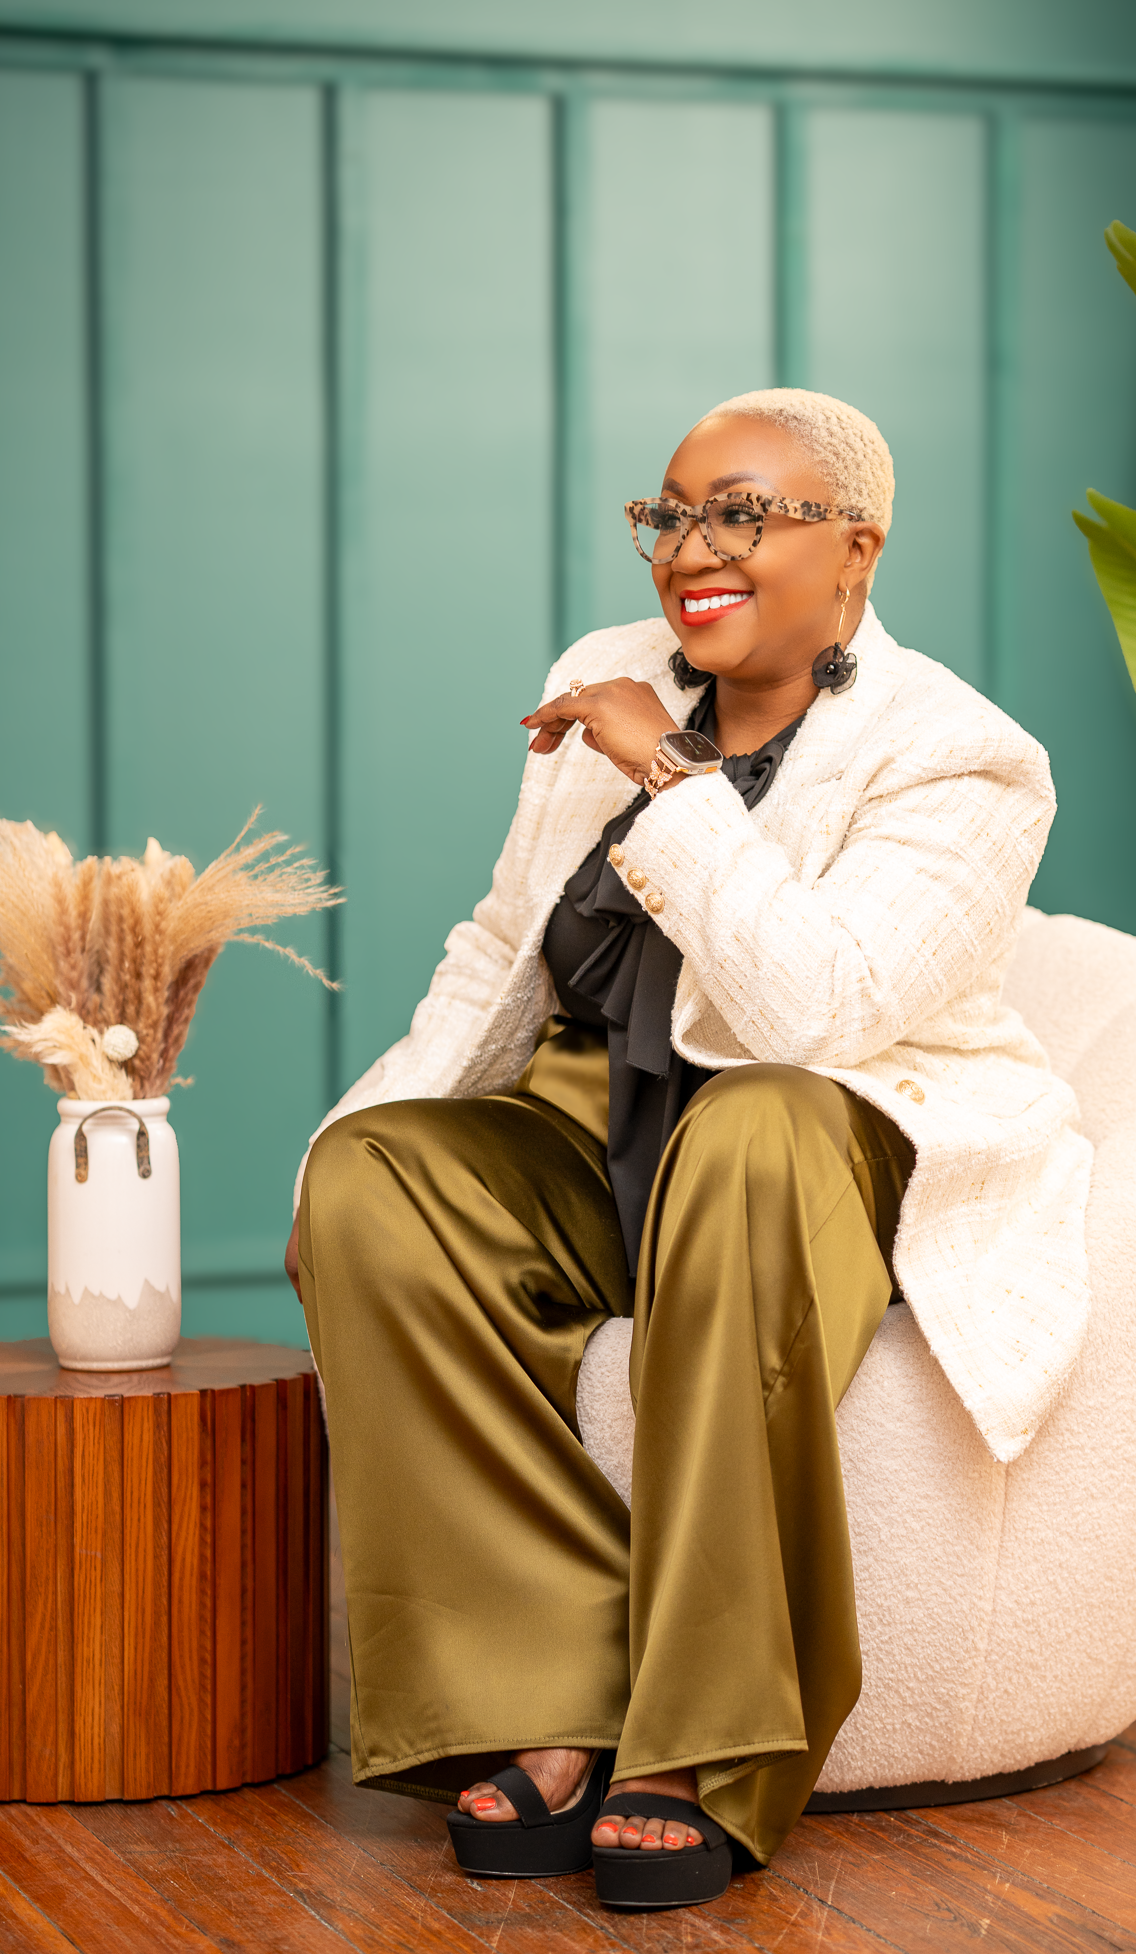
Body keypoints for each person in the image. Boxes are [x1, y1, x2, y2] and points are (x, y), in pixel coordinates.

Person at [285, 387, 1092, 1913]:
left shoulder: (964, 757)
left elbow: (817, 1015)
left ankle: (706, 1744)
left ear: (857, 548)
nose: (689, 550)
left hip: (821, 1145)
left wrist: (670, 772)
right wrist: (349, 1139)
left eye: (742, 514)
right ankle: (548, 1678)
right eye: (669, 515)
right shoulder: (601, 675)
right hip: (601, 1126)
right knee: (371, 1184)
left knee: (750, 1129)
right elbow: (501, 944)